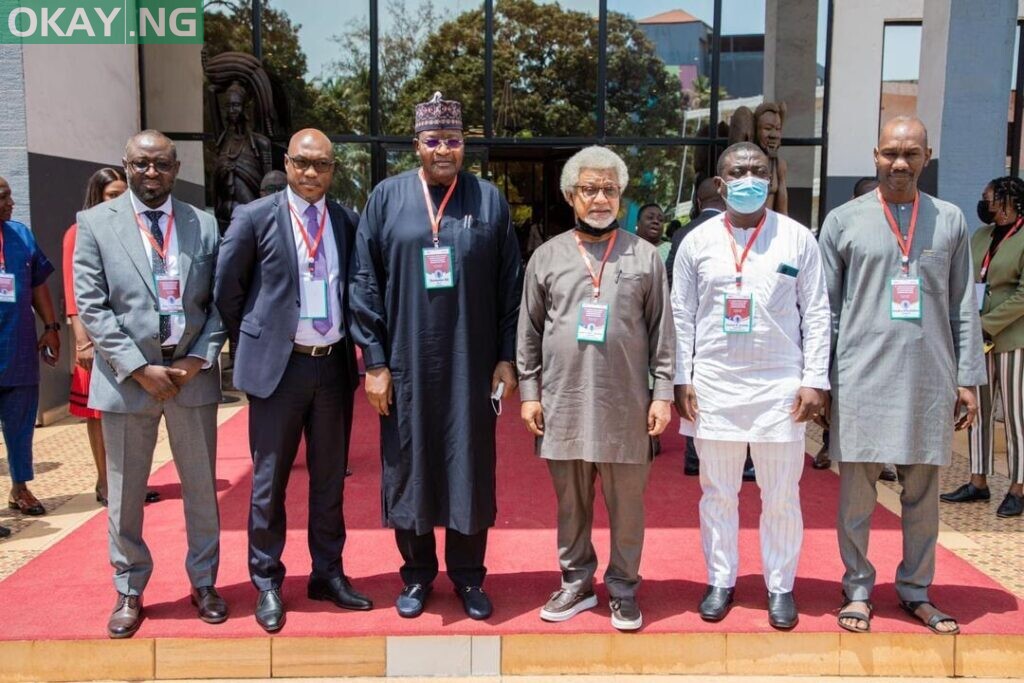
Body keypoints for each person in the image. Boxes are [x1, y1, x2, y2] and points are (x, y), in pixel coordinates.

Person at [349, 92, 522, 621]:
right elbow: (364, 282)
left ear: (464, 144)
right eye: (433, 140)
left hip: (471, 367)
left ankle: (469, 578)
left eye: (452, 140)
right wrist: (374, 362)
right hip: (405, 365)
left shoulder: (488, 200)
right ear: (417, 144)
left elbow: (510, 285)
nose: (442, 149)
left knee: (470, 466)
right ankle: (418, 575)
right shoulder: (386, 198)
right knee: (410, 466)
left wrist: (506, 357)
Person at [819, 116, 986, 635]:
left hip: (928, 380)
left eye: (911, 153)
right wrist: (821, 382)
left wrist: (967, 378)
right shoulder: (843, 221)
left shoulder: (951, 220)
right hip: (860, 377)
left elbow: (963, 304)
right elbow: (825, 309)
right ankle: (859, 588)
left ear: (927, 157)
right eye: (891, 152)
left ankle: (915, 589)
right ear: (874, 154)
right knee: (857, 497)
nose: (899, 163)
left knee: (921, 496)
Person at [75, 130, 228, 638]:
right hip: (127, 381)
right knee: (124, 493)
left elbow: (221, 304)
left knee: (202, 488)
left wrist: (195, 360)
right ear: (125, 166)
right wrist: (140, 368)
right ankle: (129, 588)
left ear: (176, 166)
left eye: (161, 164)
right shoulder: (95, 225)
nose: (151, 174)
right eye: (140, 165)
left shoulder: (203, 224)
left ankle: (204, 582)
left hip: (191, 380)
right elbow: (92, 307)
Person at [215, 129, 370, 633]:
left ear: (332, 170)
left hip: (332, 366)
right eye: (302, 163)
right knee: (268, 485)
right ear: (288, 162)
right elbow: (227, 289)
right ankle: (267, 582)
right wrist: (259, 340)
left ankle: (327, 573)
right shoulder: (255, 217)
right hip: (279, 370)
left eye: (321, 165)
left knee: (329, 481)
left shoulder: (346, 221)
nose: (311, 173)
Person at [672, 142, 830, 629]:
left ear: (772, 179)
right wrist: (682, 377)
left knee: (781, 495)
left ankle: (780, 586)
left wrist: (814, 379)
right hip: (715, 386)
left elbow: (818, 311)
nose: (748, 177)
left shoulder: (798, 239)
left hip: (780, 388)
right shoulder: (696, 243)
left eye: (757, 170)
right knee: (717, 492)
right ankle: (721, 580)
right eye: (737, 171)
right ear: (720, 185)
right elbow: (680, 315)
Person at [517, 146, 674, 631]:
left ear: (621, 196)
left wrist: (663, 392)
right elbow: (529, 330)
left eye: (609, 189)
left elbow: (663, 332)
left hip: (626, 405)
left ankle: (624, 588)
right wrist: (529, 392)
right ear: (571, 195)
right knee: (572, 503)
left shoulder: (645, 257)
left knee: (627, 505)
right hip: (563, 403)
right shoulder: (546, 256)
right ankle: (576, 582)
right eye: (590, 189)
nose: (600, 198)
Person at [63, 169, 161, 507]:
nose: (118, 200)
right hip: (94, 341)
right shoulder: (81, 231)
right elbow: (75, 295)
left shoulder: (137, 230)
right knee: (99, 415)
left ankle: (130, 482)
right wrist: (83, 343)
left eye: (122, 193)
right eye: (111, 195)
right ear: (97, 196)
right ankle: (106, 483)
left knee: (129, 414)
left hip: (130, 342)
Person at [941, 177, 1024, 518]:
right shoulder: (980, 237)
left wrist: (986, 324)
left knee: (1017, 417)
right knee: (978, 411)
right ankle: (978, 481)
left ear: (1009, 202)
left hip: (1013, 339)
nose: (983, 204)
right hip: (979, 342)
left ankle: (1018, 487)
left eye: (988, 198)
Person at [811, 176, 898, 483]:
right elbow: (828, 299)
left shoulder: (897, 231)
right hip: (853, 337)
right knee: (842, 404)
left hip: (891, 336)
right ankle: (828, 446)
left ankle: (885, 458)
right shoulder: (840, 227)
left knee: (889, 404)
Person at [0, 176, 60, 526]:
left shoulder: (21, 235)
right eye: (3, 197)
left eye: (9, 195)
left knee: (21, 426)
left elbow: (39, 284)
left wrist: (51, 328)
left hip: (19, 349)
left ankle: (20, 488)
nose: (11, 203)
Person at [666, 176, 728, 478]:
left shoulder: (683, 234)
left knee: (694, 388)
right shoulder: (738, 231)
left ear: (699, 203)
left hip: (691, 326)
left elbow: (671, 283)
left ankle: (694, 456)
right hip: (726, 328)